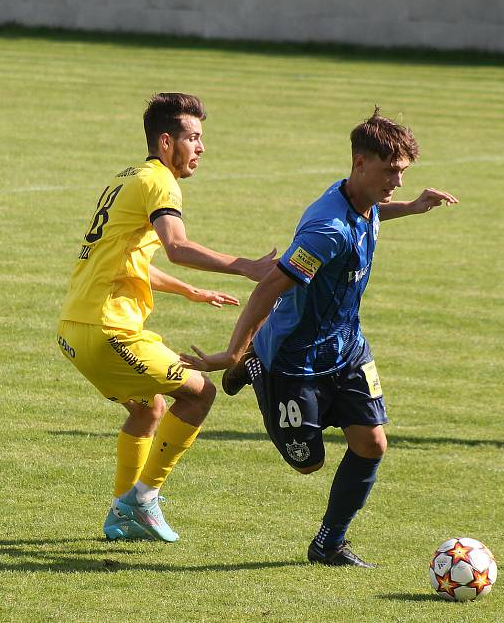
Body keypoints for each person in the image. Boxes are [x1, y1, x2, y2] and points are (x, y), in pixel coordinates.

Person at [182, 108, 458, 566]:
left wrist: (408, 209)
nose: (399, 182)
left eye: (404, 173)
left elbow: (369, 213)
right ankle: (253, 364)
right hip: (293, 361)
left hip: (348, 348)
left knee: (372, 443)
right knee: (307, 463)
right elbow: (271, 285)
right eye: (391, 172)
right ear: (360, 163)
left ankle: (329, 543)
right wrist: (231, 352)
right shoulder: (324, 231)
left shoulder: (360, 200)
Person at [56, 92, 276, 542]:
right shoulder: (160, 182)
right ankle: (142, 498)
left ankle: (122, 516)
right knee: (199, 395)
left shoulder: (126, 178)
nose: (200, 147)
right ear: (165, 142)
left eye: (201, 138)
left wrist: (190, 291)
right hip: (109, 329)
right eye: (192, 137)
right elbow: (175, 247)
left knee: (148, 409)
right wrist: (244, 265)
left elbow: (125, 260)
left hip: (75, 328)